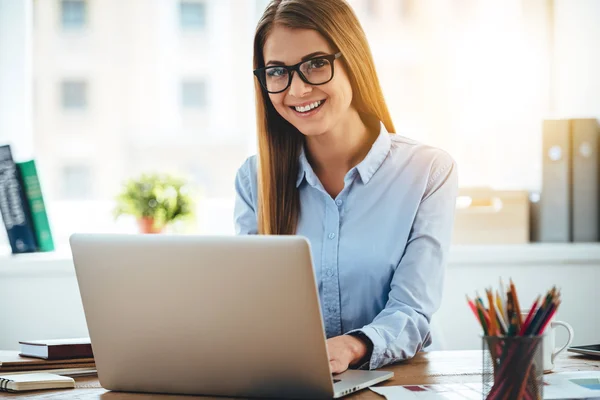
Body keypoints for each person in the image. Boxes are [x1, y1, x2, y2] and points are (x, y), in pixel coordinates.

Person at [234, 0, 458, 374]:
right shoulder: (254, 180)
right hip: (294, 382)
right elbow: (255, 308)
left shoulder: (427, 171)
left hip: (397, 380)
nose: (298, 89)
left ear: (352, 60)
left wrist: (353, 347)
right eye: (277, 71)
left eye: (316, 64)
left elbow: (412, 309)